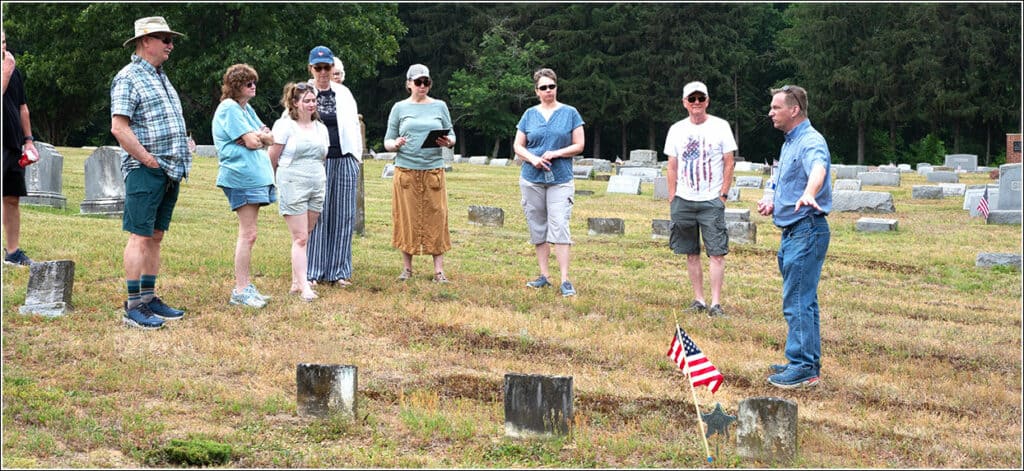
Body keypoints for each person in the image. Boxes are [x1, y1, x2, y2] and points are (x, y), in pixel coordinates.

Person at [110, 16, 190, 329]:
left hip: (170, 169)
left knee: (155, 236)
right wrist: (147, 159)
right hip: (147, 168)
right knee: (140, 236)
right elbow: (119, 127)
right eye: (165, 39)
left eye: (171, 39)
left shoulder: (160, 76)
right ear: (146, 41)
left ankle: (148, 297)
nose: (171, 45)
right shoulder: (128, 77)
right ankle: (133, 305)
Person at [757, 84, 832, 389]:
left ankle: (802, 366)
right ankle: (806, 361)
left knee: (797, 300)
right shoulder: (789, 143)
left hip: (807, 228)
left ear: (794, 110)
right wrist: (771, 198)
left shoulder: (811, 141)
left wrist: (809, 193)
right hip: (792, 231)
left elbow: (819, 168)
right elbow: (777, 179)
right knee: (804, 299)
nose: (771, 112)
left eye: (776, 108)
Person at [664, 81, 737, 317]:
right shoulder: (676, 129)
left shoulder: (720, 126)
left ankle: (716, 303)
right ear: (685, 102)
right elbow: (672, 165)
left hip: (711, 199)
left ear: (707, 101)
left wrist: (723, 195)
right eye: (692, 99)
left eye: (701, 99)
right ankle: (699, 299)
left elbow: (729, 162)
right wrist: (673, 196)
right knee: (690, 252)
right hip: (684, 199)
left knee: (716, 252)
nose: (697, 103)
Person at [513, 68, 584, 297]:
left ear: (556, 87)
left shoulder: (570, 113)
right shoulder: (529, 115)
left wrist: (556, 153)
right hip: (532, 179)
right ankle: (544, 276)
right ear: (536, 91)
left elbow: (579, 145)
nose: (548, 91)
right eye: (543, 88)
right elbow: (518, 145)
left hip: (560, 179)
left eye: (551, 86)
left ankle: (565, 279)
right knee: (538, 226)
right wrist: (532, 158)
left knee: (560, 225)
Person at [383, 64, 456, 283]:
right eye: (418, 82)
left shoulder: (440, 106)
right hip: (406, 170)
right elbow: (387, 140)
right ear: (408, 84)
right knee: (407, 218)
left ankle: (439, 271)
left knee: (437, 216)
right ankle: (407, 268)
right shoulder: (399, 108)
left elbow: (451, 135)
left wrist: (448, 141)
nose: (422, 86)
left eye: (426, 82)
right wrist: (395, 144)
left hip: (433, 169)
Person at [212, 63, 276, 308]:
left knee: (251, 234)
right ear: (236, 86)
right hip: (241, 176)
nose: (253, 87)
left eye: (254, 83)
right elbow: (252, 141)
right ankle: (240, 290)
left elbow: (269, 135)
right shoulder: (229, 108)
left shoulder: (245, 108)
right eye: (249, 83)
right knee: (247, 234)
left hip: (254, 176)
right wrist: (257, 138)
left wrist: (259, 137)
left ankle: (245, 286)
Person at [304, 46, 363, 287]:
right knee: (317, 215)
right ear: (311, 69)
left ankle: (339, 271)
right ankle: (314, 271)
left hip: (344, 157)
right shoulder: (303, 92)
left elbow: (353, 126)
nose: (323, 72)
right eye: (318, 68)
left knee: (343, 216)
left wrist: (355, 158)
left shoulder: (344, 93)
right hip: (317, 161)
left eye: (327, 67)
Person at [269, 82, 328, 302]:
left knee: (307, 233)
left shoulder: (320, 128)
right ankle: (305, 287)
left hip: (316, 181)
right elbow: (273, 157)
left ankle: (296, 281)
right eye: (307, 100)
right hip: (292, 181)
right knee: (300, 237)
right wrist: (272, 182)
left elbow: (323, 156)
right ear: (295, 103)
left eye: (314, 100)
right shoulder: (285, 126)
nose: (312, 104)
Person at [2, 28, 39, 267]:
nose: (2, 48)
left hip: (13, 143)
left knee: (12, 198)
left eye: (3, 42)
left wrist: (28, 139)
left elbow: (22, 106)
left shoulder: (13, 69)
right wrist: (5, 74)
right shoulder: (8, 70)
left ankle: (13, 252)